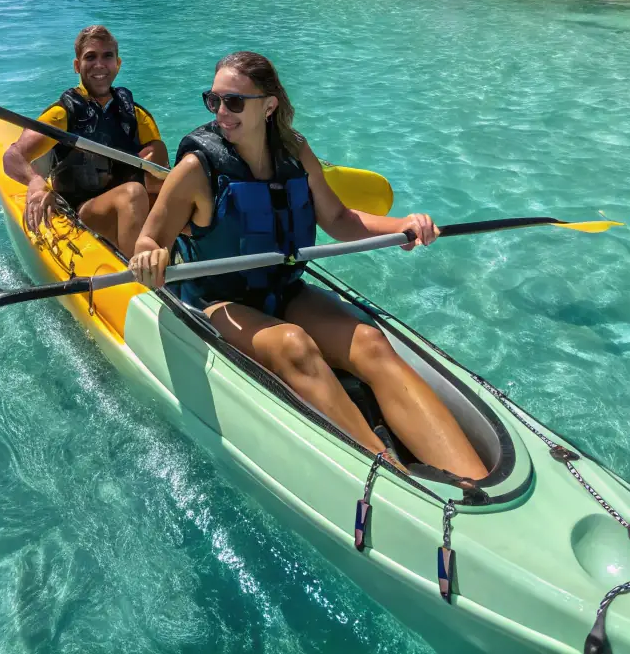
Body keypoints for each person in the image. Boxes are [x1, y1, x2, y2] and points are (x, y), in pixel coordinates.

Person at [128, 51, 487, 480]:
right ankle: (394, 478)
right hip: (218, 303)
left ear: (269, 105)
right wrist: (151, 255)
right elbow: (149, 239)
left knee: (371, 343)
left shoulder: (295, 153)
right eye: (214, 100)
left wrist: (403, 225)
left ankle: (473, 480)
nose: (222, 112)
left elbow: (338, 219)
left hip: (283, 290)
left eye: (234, 102)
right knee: (293, 344)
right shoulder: (194, 170)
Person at [2, 25, 169, 256]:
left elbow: (160, 170)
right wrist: (34, 181)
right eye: (90, 57)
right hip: (81, 210)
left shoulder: (137, 115)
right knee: (133, 193)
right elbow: (13, 156)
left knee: (163, 192)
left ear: (117, 64)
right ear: (77, 66)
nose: (99, 65)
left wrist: (159, 164)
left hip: (127, 206)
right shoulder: (62, 114)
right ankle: (142, 279)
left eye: (107, 56)